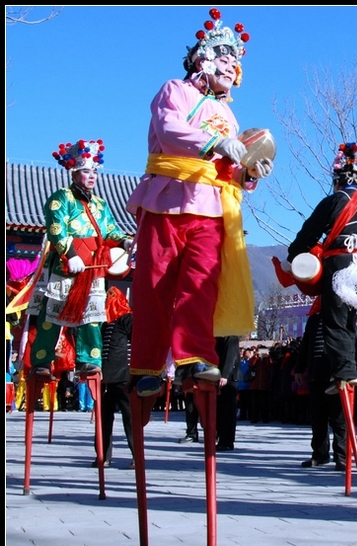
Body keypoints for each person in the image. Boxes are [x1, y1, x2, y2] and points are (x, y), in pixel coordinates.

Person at [127, 7, 274, 398]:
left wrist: (249, 174)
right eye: (224, 57)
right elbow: (169, 129)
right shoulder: (175, 90)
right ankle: (148, 364)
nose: (231, 66)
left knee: (201, 284)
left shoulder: (228, 112)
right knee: (155, 283)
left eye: (235, 62)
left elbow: (229, 167)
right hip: (169, 198)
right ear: (202, 59)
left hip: (211, 206)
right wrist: (213, 143)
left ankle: (195, 355)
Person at [27, 139, 129, 377]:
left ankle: (88, 360)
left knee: (91, 317)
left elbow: (110, 231)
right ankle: (42, 362)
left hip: (93, 269)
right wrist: (70, 254)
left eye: (94, 171)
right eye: (86, 171)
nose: (92, 175)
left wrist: (125, 241)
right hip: (67, 267)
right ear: (74, 173)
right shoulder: (61, 198)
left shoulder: (100, 204)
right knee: (51, 314)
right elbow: (56, 229)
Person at [285, 142, 357, 396]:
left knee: (333, 320)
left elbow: (309, 231)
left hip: (342, 266)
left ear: (336, 181)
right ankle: (347, 371)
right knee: (349, 320)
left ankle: (346, 372)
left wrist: (294, 256)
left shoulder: (334, 200)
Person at [297, 310, 347, 470]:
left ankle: (342, 457)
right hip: (316, 375)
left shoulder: (343, 314)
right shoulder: (314, 319)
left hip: (336, 375)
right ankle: (319, 454)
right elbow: (306, 344)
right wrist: (300, 368)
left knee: (339, 420)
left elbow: (350, 343)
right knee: (318, 418)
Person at [95, 287, 135, 469]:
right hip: (105, 378)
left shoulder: (127, 318)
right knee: (103, 419)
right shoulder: (103, 323)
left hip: (124, 376)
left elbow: (137, 342)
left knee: (130, 418)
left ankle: (137, 456)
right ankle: (103, 455)